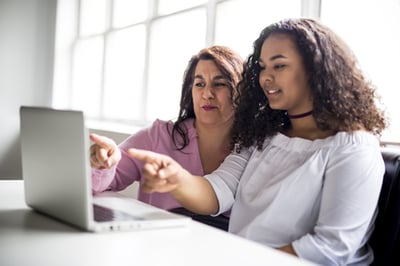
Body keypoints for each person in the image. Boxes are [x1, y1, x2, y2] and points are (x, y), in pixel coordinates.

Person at [128, 18, 387, 265]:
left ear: (315, 69)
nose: (265, 77)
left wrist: (241, 260)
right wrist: (178, 179)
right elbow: (218, 191)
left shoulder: (353, 149)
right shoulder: (265, 136)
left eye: (279, 65)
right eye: (262, 67)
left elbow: (330, 249)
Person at [89, 45, 244, 231]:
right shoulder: (158, 136)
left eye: (219, 84)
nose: (207, 94)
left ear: (241, 91)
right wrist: (104, 161)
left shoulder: (254, 150)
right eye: (199, 84)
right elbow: (96, 183)